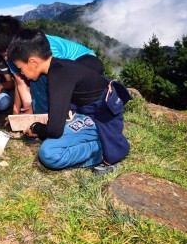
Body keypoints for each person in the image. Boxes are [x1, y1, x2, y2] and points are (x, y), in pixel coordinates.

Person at [7, 29, 131, 171]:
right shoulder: (59, 66)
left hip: (99, 119)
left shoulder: (59, 77)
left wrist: (36, 128)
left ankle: (102, 148)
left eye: (20, 68)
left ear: (33, 62)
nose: (21, 73)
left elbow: (54, 130)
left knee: (49, 154)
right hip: (85, 112)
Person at [0, 15, 103, 115]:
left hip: (84, 61)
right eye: (3, 55)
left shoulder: (40, 43)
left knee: (40, 77)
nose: (7, 58)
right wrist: (25, 109)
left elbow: (58, 71)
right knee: (35, 78)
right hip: (64, 70)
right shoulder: (10, 57)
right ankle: (43, 118)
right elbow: (20, 82)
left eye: (7, 53)